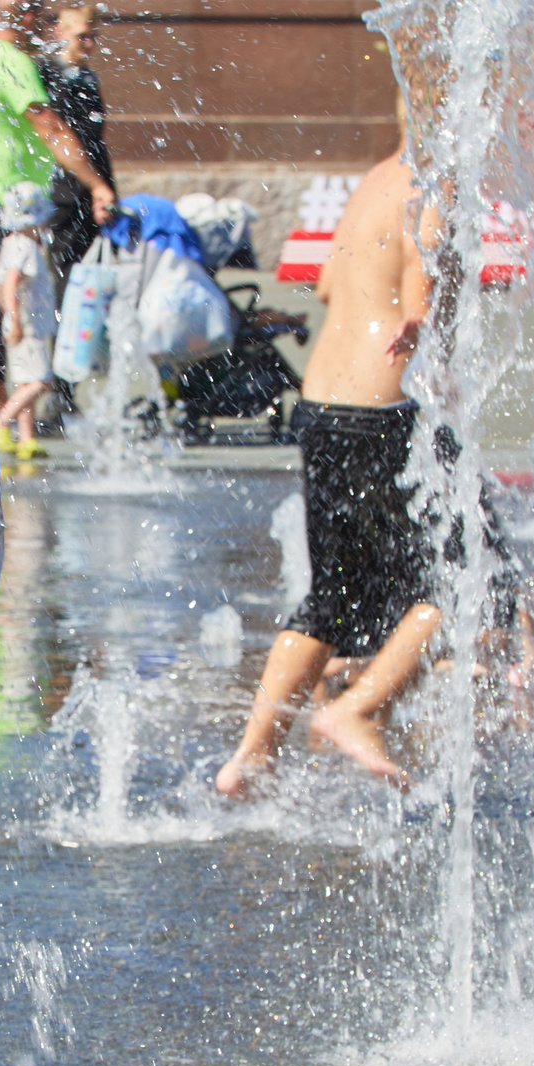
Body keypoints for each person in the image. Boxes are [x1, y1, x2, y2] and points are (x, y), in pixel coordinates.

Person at [215, 144, 440, 797]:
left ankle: (252, 758)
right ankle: (357, 709)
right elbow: (420, 310)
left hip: (322, 404)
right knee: (460, 583)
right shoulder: (432, 195)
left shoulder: (374, 177)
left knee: (335, 596)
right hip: (379, 410)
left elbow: (325, 286)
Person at [0, 0, 114, 426]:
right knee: (2, 300)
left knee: (1, 296)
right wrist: (95, 183)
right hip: (8, 201)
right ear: (24, 19)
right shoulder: (14, 66)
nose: (46, 28)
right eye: (42, 18)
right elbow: (51, 129)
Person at [39, 0, 115, 293]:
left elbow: (94, 140)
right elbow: (52, 134)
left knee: (93, 273)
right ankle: (63, 339)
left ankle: (86, 337)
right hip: (62, 189)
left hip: (91, 187)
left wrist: (103, 188)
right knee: (65, 272)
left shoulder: (87, 75)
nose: (89, 45)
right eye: (82, 36)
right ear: (59, 32)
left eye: (94, 37)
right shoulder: (47, 73)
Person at [0, 181, 58, 461]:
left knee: (25, 381)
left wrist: (7, 314)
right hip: (27, 326)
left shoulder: (10, 243)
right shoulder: (27, 245)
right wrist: (15, 321)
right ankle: (0, 423)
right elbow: (12, 281)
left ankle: (27, 439)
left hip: (19, 323)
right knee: (40, 382)